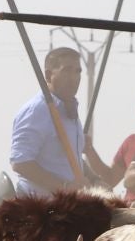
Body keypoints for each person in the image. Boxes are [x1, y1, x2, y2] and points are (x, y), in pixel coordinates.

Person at [9, 47, 109, 196]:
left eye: (78, 71)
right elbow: (21, 163)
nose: (74, 77)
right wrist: (64, 187)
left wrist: (94, 180)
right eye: (67, 70)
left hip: (67, 205)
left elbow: (72, 161)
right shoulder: (37, 111)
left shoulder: (69, 111)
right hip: (37, 207)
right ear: (49, 76)